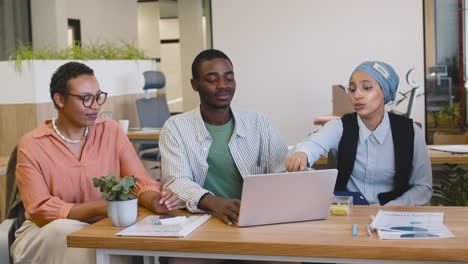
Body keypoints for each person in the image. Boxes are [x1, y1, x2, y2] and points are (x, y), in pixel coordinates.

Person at [11, 62, 180, 264]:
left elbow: (139, 182)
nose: (96, 106)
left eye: (98, 97)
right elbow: (40, 210)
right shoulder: (32, 144)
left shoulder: (111, 131)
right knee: (69, 234)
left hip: (105, 227)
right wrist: (100, 207)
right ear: (60, 99)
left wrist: (154, 200)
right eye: (86, 99)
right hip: (47, 231)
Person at [160, 49, 290, 264]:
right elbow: (175, 181)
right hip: (201, 223)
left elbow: (281, 170)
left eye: (229, 78)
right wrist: (213, 202)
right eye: (212, 79)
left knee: (288, 259)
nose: (223, 85)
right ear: (195, 84)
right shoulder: (176, 127)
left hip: (255, 223)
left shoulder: (259, 122)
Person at [287, 61, 432, 206]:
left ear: (385, 92)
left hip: (393, 216)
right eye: (352, 89)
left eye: (367, 88)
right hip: (346, 214)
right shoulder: (340, 126)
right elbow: (314, 144)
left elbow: (423, 188)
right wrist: (302, 153)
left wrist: (391, 208)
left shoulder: (411, 132)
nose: (357, 95)